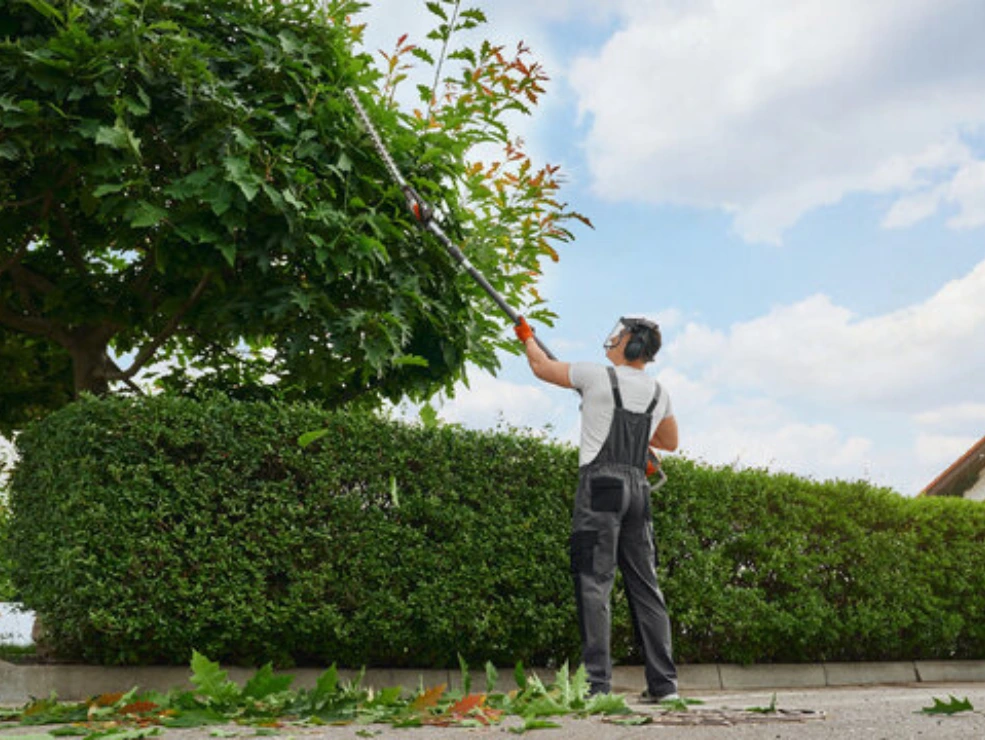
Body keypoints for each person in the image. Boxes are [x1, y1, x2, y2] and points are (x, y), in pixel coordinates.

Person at [514, 315, 680, 702]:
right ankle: (664, 686)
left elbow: (541, 366)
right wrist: (640, 434)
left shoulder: (594, 376)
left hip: (601, 487)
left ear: (632, 344)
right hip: (638, 491)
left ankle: (597, 686)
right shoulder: (659, 392)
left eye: (620, 335)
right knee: (645, 586)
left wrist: (527, 336)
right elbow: (669, 441)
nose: (614, 339)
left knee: (594, 581)